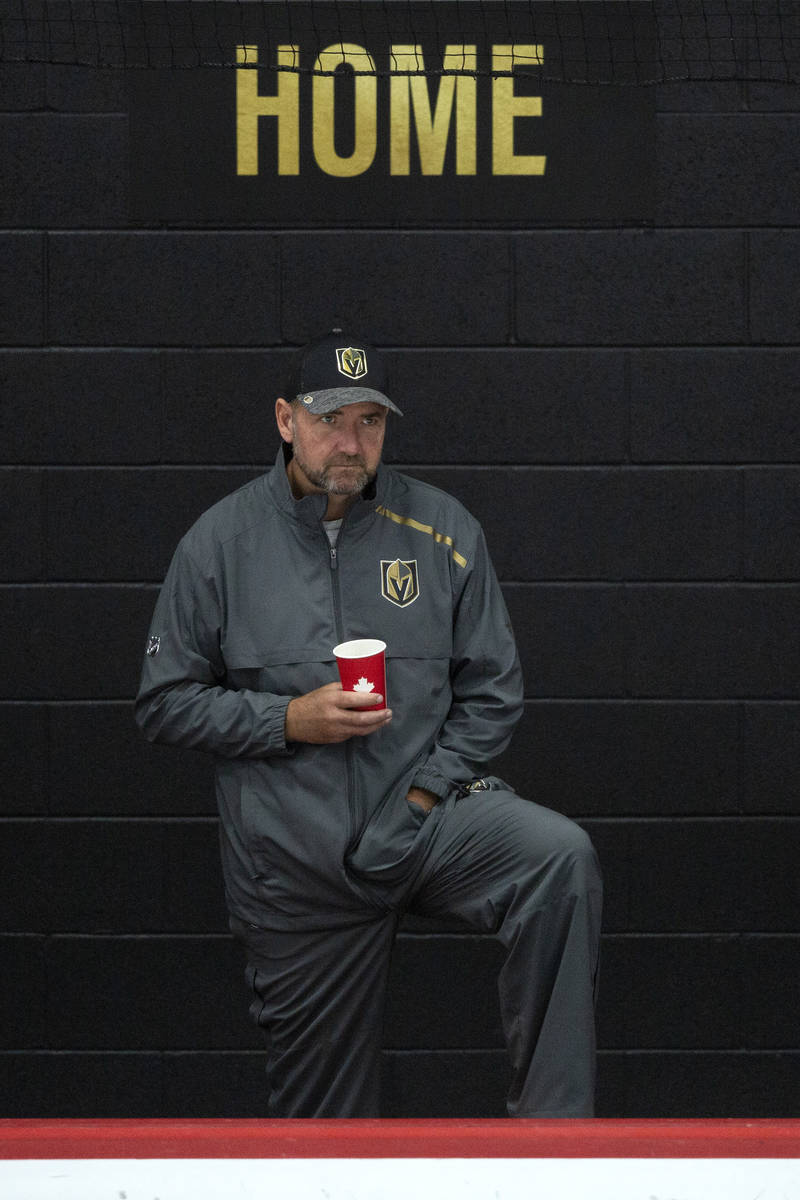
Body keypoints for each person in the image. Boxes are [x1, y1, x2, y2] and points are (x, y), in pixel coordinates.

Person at [135, 329, 603, 1118]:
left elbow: (493, 691)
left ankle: (555, 1152)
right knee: (327, 1138)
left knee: (559, 860)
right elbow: (163, 701)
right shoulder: (220, 543)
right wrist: (290, 718)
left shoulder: (442, 530)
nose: (352, 442)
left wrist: (423, 798)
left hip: (426, 822)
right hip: (298, 860)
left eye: (371, 422)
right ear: (286, 420)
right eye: (330, 419)